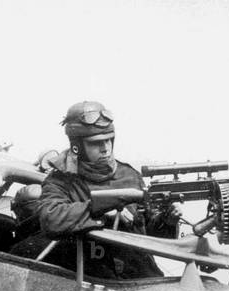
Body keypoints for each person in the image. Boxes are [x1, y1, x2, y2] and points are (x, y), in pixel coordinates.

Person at [31, 101, 179, 279]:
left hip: (138, 276)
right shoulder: (60, 180)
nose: (105, 149)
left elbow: (151, 235)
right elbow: (51, 219)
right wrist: (102, 211)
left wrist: (167, 221)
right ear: (77, 146)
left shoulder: (130, 176)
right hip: (90, 276)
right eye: (96, 143)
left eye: (109, 140)